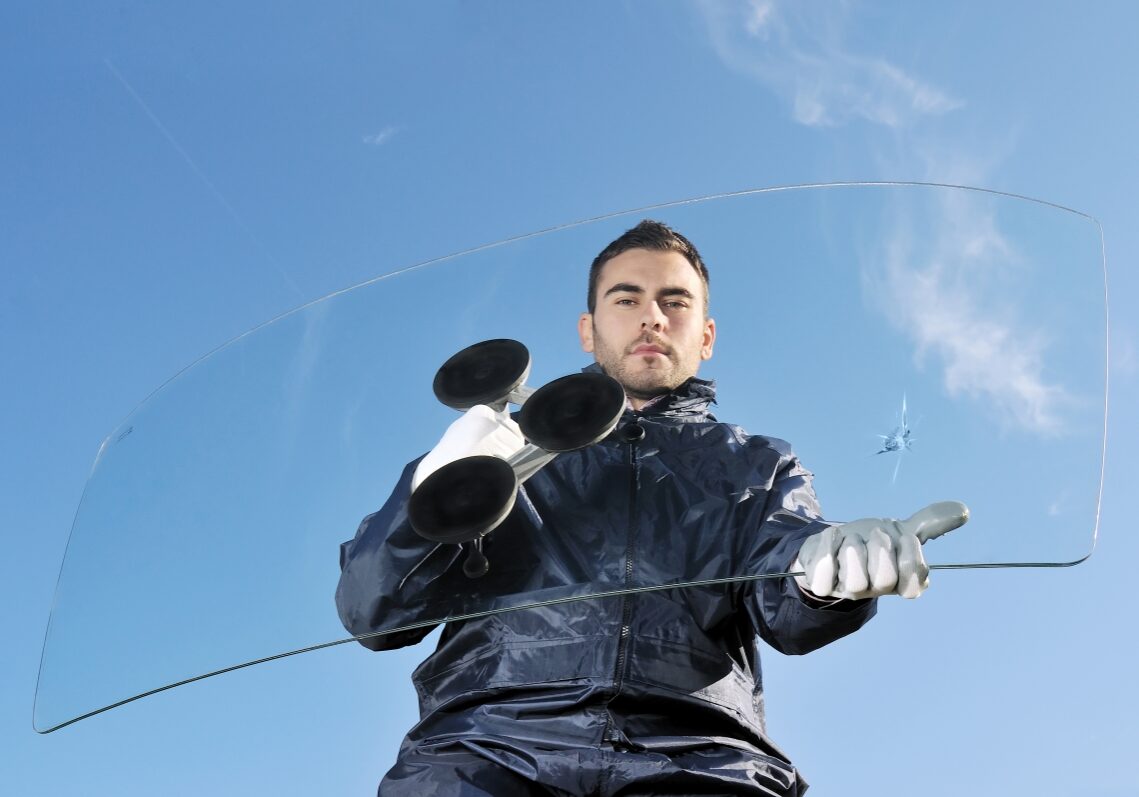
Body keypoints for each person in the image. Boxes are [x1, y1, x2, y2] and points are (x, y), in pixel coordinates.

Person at [336, 220, 967, 796]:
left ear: (706, 334)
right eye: (627, 298)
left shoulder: (758, 465)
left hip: (698, 755)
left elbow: (789, 603)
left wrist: (832, 575)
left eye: (675, 301)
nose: (652, 318)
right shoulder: (493, 450)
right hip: (484, 747)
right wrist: (428, 493)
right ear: (588, 328)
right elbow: (375, 613)